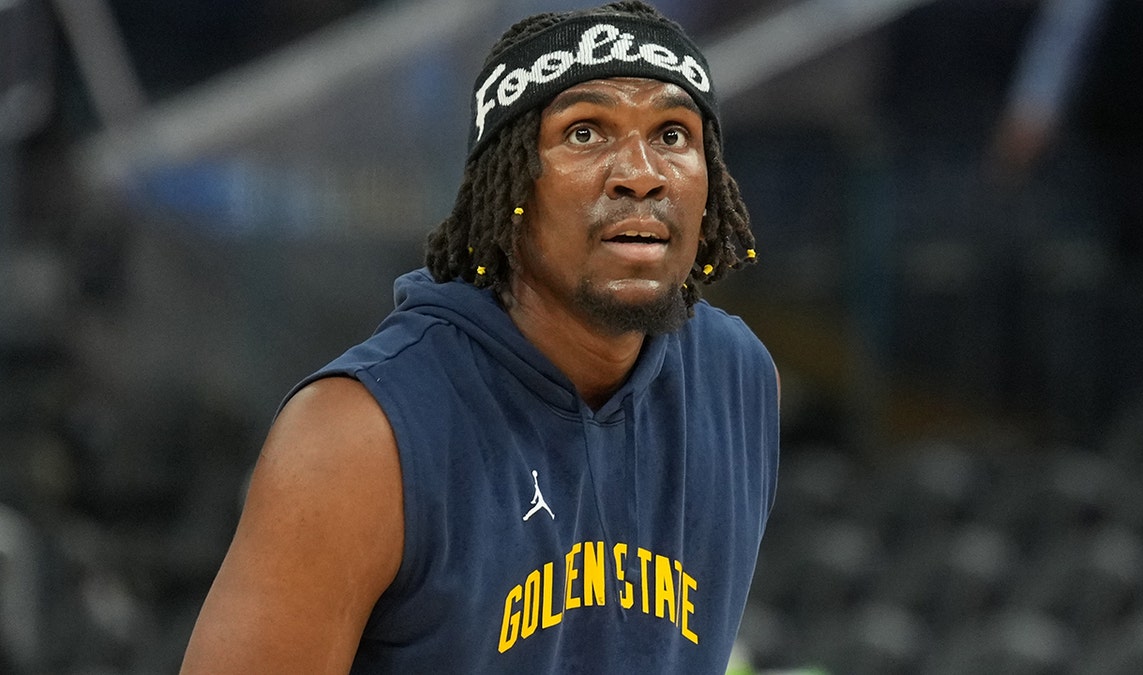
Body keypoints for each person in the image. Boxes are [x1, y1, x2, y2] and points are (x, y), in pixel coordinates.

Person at [179, 1, 779, 672]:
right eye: (585, 132)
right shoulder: (358, 438)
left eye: (673, 134)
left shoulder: (738, 380)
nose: (640, 173)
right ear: (509, 187)